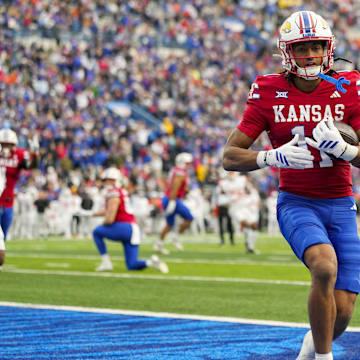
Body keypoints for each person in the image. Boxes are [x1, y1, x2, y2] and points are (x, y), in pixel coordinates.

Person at [222, 10, 360, 360]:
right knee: (324, 266)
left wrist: (346, 149)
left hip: (341, 203)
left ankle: (311, 348)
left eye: (316, 45)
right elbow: (230, 156)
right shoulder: (268, 90)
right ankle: (324, 358)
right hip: (297, 201)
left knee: (342, 313)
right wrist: (270, 157)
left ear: (328, 48)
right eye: (302, 47)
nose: (311, 54)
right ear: (287, 52)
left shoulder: (350, 86)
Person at [92, 167, 168, 274]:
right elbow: (110, 209)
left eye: (105, 180)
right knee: (132, 265)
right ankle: (151, 262)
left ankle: (106, 263)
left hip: (124, 228)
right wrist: (94, 214)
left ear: (112, 180)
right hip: (134, 229)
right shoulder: (121, 192)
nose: (104, 183)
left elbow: (110, 218)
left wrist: (103, 223)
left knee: (97, 231)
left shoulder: (113, 193)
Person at [0, 128, 38, 265]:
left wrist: (35, 154)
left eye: (8, 144)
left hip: (8, 201)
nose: (5, 147)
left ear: (14, 145)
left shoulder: (19, 155)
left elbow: (30, 166)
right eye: (2, 144)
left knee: (3, 233)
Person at [154, 152, 194, 255]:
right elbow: (175, 186)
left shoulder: (177, 170)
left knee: (169, 224)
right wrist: (172, 201)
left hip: (170, 198)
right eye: (187, 163)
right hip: (172, 199)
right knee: (189, 218)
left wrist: (185, 190)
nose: (189, 165)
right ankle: (175, 238)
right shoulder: (180, 172)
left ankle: (159, 244)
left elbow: (177, 185)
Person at [212, 170, 235, 245]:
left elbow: (229, 192)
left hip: (227, 205)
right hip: (220, 206)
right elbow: (216, 196)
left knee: (229, 224)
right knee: (220, 224)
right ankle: (222, 240)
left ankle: (231, 239)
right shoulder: (218, 186)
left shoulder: (228, 184)